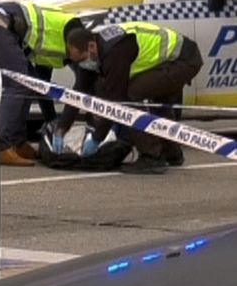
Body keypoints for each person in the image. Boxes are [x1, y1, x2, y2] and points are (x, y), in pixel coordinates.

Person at [57, 22, 203, 174]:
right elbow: (78, 93)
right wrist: (61, 129)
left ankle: (152, 156)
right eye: (78, 62)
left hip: (183, 60)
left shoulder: (115, 53)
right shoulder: (92, 53)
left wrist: (96, 138)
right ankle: (171, 153)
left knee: (131, 95)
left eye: (82, 59)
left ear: (91, 46)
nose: (82, 65)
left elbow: (116, 103)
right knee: (156, 101)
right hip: (173, 60)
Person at [0, 1, 85, 167]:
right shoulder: (73, 30)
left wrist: (51, 121)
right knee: (17, 82)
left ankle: (18, 142)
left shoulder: (66, 45)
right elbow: (81, 82)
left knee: (28, 83)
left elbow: (41, 86)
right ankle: (2, 145)